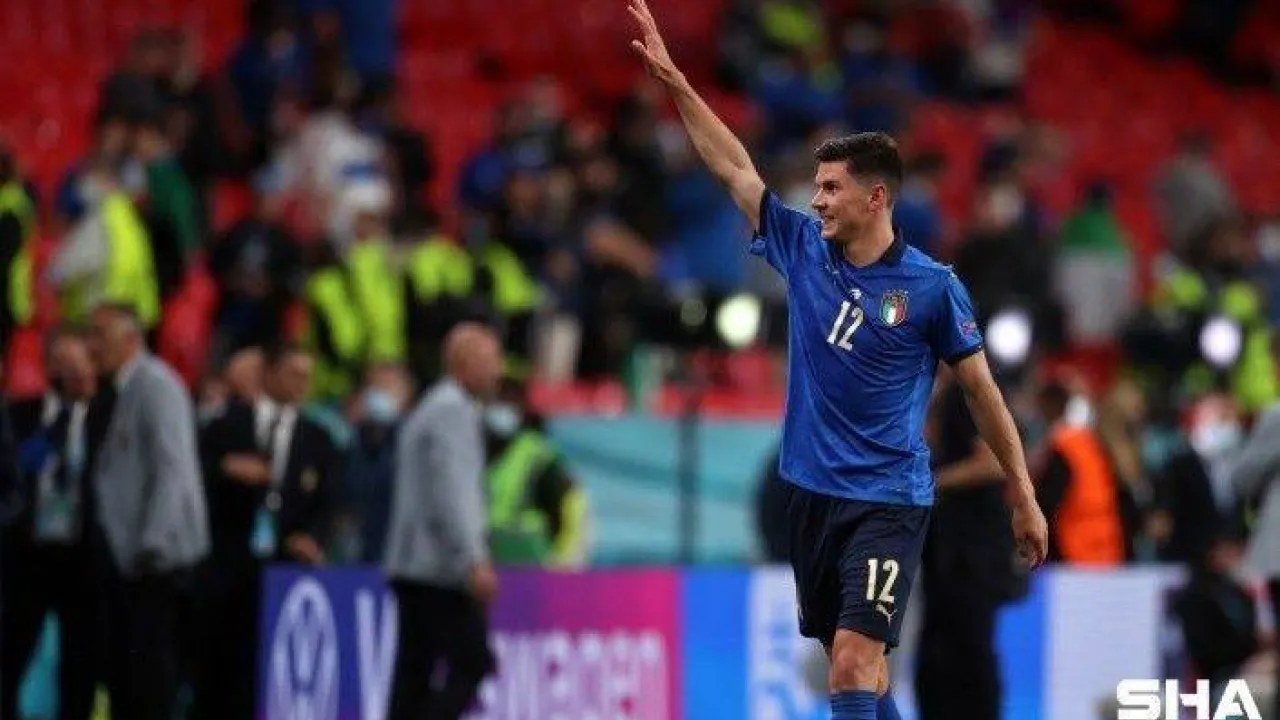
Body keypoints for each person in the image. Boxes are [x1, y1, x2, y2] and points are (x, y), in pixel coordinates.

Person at [627, 4, 1049, 719]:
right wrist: (675, 81)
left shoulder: (931, 288)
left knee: (853, 659)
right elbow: (733, 168)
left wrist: (1024, 493)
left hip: (887, 500)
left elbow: (982, 392)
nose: (816, 200)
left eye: (831, 189)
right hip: (811, 496)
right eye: (816, 187)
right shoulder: (802, 249)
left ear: (875, 197)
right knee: (863, 673)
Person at [192, 342, 337, 720]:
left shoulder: (318, 439)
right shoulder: (226, 425)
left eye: (307, 377)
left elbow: (329, 503)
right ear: (269, 374)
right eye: (294, 374)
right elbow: (194, 477)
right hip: (226, 570)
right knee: (217, 677)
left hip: (283, 575)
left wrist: (312, 537)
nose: (301, 384)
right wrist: (225, 469)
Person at [85, 303, 208, 720]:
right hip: (130, 559)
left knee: (147, 681)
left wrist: (153, 544)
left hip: (153, 561)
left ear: (131, 339)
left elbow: (173, 470)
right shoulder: (122, 389)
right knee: (125, 678)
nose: (92, 346)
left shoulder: (156, 386)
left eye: (101, 335)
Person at [384, 323, 504, 720]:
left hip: (411, 564)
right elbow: (454, 492)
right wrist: (473, 558)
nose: (498, 371)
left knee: (413, 674)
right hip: (439, 568)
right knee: (473, 662)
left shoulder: (429, 408)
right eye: (490, 361)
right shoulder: (453, 412)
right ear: (463, 364)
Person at [1, 330, 109, 720]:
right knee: (9, 657)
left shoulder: (106, 419)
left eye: (82, 364)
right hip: (26, 554)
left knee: (80, 664)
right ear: (48, 367)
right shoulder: (19, 415)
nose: (76, 373)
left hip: (82, 558)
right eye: (66, 364)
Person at [916, 373, 1024, 720]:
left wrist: (931, 483)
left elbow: (994, 462)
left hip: (972, 553)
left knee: (971, 649)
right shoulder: (941, 396)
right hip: (945, 551)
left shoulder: (972, 394)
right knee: (938, 653)